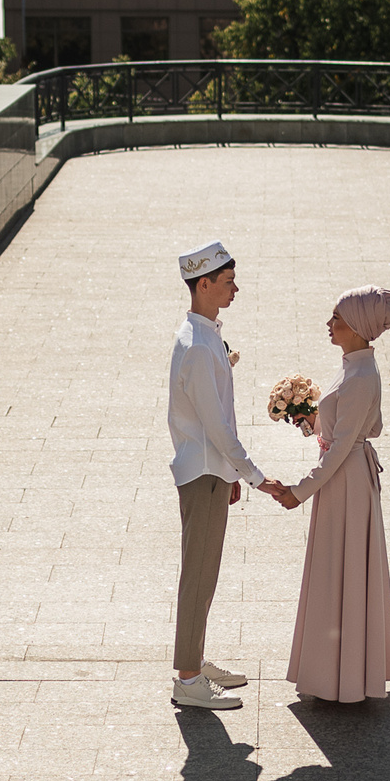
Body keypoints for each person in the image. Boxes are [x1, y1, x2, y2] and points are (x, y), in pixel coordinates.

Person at [262, 286, 390, 703]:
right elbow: (336, 433)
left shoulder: (360, 376)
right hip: (343, 482)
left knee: (338, 569)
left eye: (337, 318)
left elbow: (341, 448)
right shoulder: (353, 367)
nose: (329, 324)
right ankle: (339, 673)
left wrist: (299, 492)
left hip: (346, 484)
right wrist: (307, 420)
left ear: (357, 327)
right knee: (336, 570)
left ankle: (342, 678)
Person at [169, 240, 268, 711]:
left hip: (210, 471)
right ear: (203, 284)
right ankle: (188, 679)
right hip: (203, 471)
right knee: (199, 573)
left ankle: (195, 660)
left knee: (205, 571)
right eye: (227, 282)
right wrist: (254, 476)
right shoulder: (197, 346)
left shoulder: (203, 335)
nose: (235, 289)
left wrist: (230, 474)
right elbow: (218, 426)